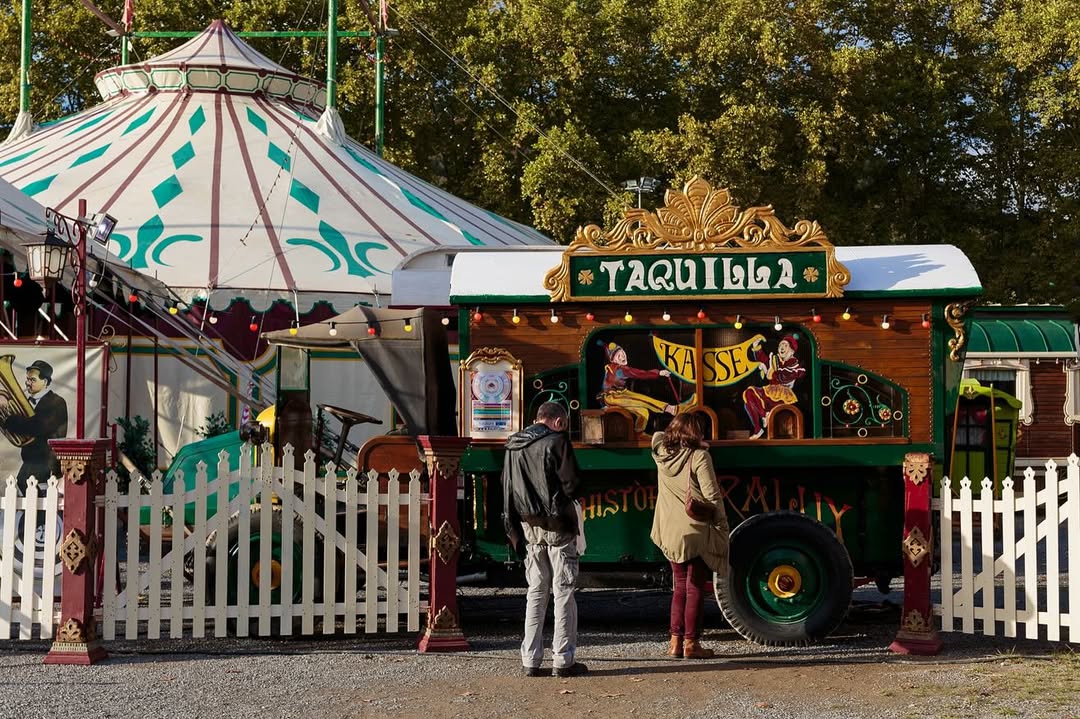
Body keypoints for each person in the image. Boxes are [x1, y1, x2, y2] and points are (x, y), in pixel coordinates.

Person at [501, 401, 588, 678]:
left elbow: (507, 488)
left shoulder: (513, 446)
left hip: (529, 526)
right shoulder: (557, 441)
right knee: (563, 592)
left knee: (536, 592)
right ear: (559, 422)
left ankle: (530, 659)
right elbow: (572, 485)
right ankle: (563, 659)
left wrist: (512, 529)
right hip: (558, 525)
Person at [650, 413, 729, 659]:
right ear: (696, 433)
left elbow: (657, 436)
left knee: (679, 586)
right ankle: (691, 644)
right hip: (694, 530)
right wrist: (722, 525)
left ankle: (674, 642)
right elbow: (712, 497)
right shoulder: (699, 457)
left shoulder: (661, 453)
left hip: (670, 530)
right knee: (694, 587)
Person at [0, 359, 68, 494]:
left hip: (46, 461)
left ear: (46, 382)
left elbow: (37, 426)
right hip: (31, 460)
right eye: (27, 379)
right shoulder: (28, 402)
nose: (27, 383)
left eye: (32, 380)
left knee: (33, 495)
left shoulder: (56, 402)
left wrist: (9, 420)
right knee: (25, 493)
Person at [598, 340, 689, 433]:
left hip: (619, 394)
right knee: (642, 399)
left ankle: (638, 434)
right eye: (618, 356)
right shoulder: (620, 369)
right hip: (613, 397)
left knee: (643, 412)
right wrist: (659, 373)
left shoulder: (612, 368)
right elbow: (640, 374)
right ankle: (670, 408)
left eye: (622, 352)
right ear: (613, 361)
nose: (622, 357)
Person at [742, 334, 806, 439]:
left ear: (792, 350)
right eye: (781, 345)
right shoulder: (775, 360)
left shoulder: (793, 363)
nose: (782, 347)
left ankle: (766, 416)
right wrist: (756, 346)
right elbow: (764, 360)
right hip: (769, 391)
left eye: (785, 345)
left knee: (750, 404)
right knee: (749, 393)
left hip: (782, 395)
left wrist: (771, 370)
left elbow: (784, 376)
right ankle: (760, 423)